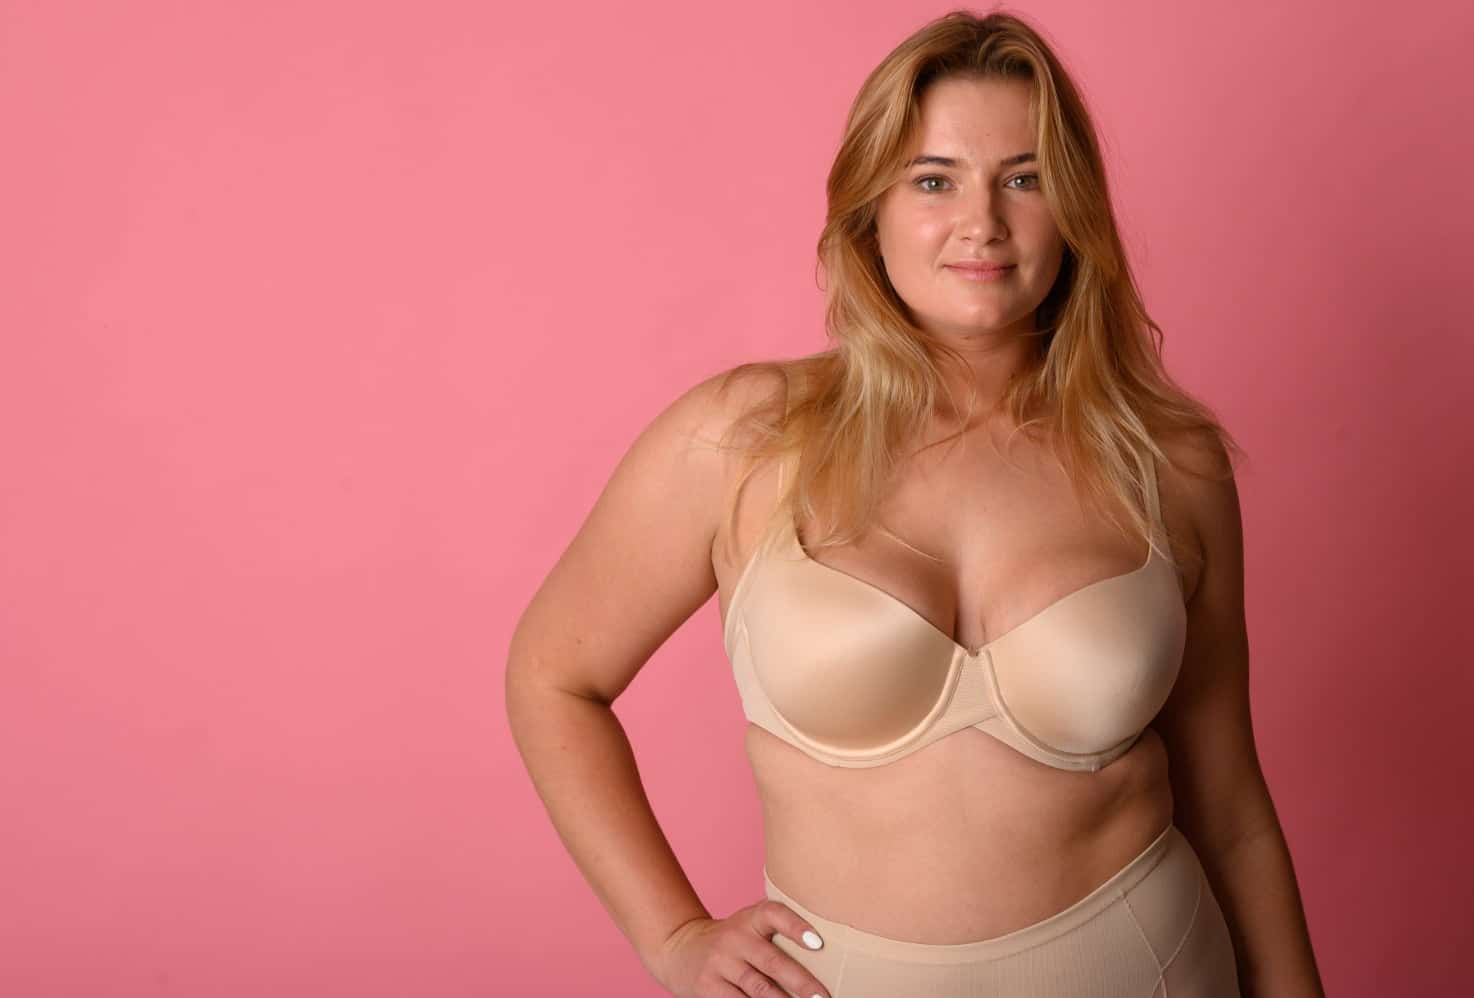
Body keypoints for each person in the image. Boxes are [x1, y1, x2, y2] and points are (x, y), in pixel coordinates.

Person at [507, 10, 1324, 997]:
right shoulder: (744, 439)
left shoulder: (1167, 461)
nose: (983, 223)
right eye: (934, 180)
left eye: (1024, 179)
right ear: (870, 212)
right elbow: (553, 676)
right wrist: (673, 933)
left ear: (1074, 209)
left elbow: (1229, 805)